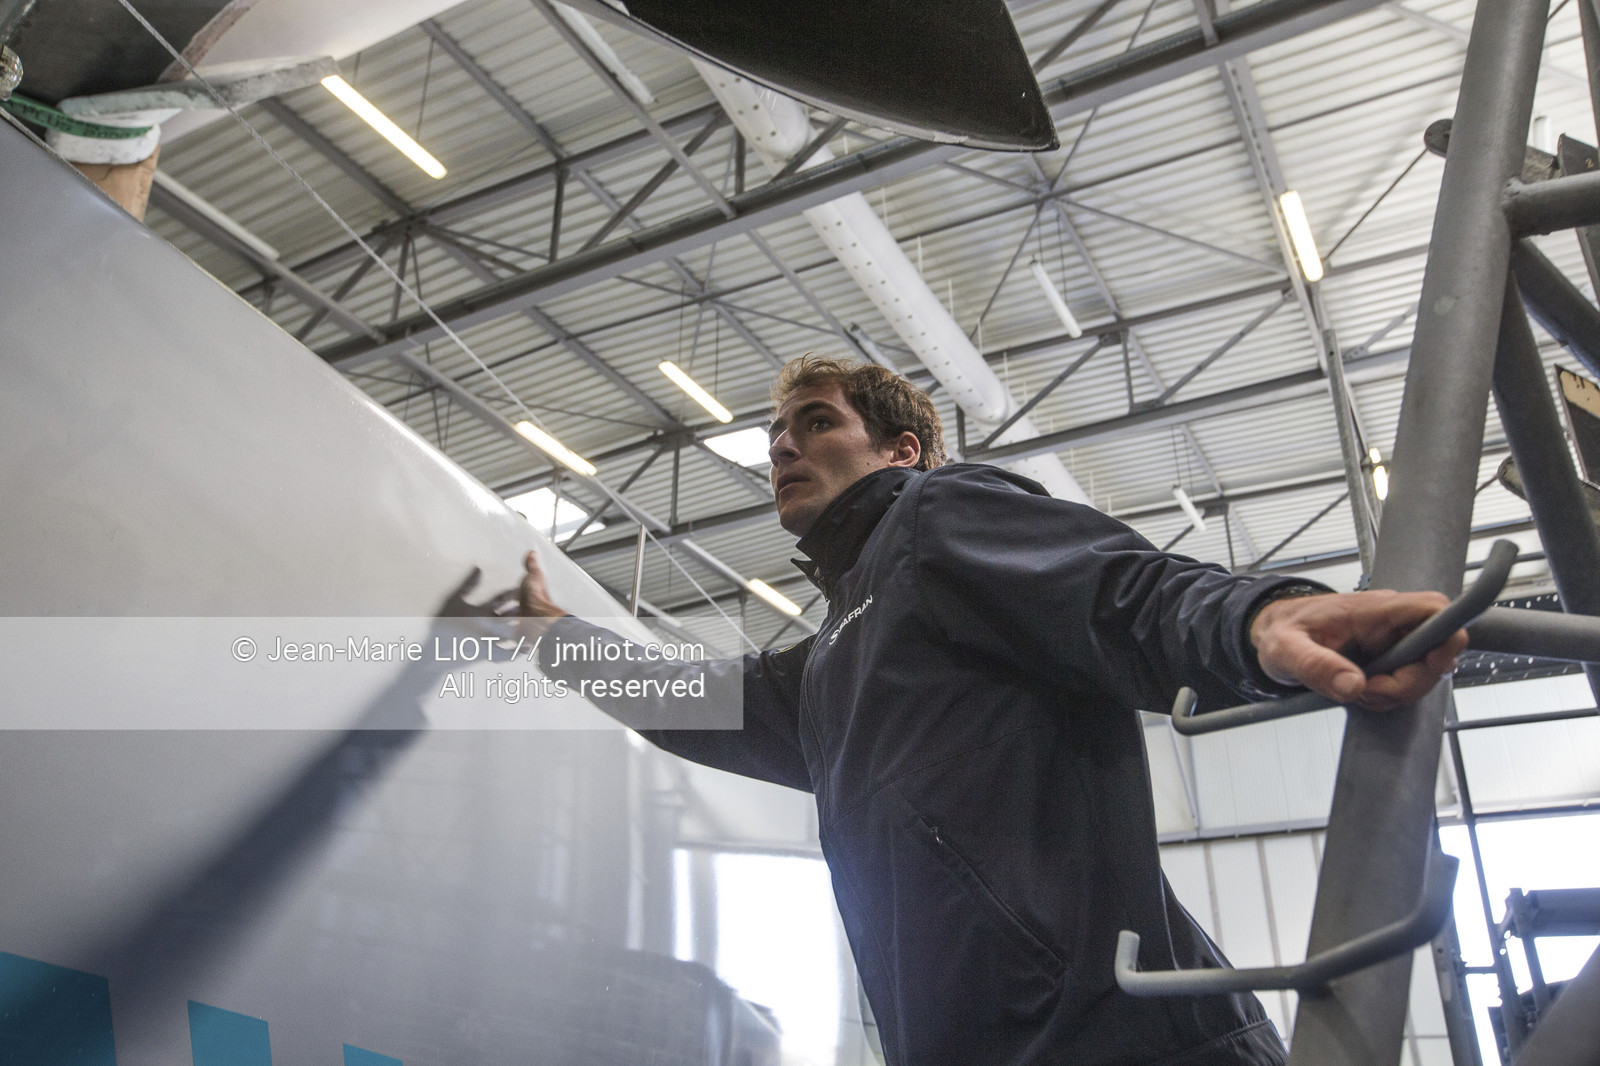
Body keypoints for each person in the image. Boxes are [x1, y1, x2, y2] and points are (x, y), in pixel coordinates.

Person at [517, 355, 1466, 1065]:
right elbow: (691, 700)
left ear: (904, 448)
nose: (783, 447)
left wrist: (1257, 618)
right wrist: (553, 637)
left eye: (814, 423)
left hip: (1113, 1043)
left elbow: (1116, 593)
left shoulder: (934, 517)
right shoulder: (832, 660)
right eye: (775, 438)